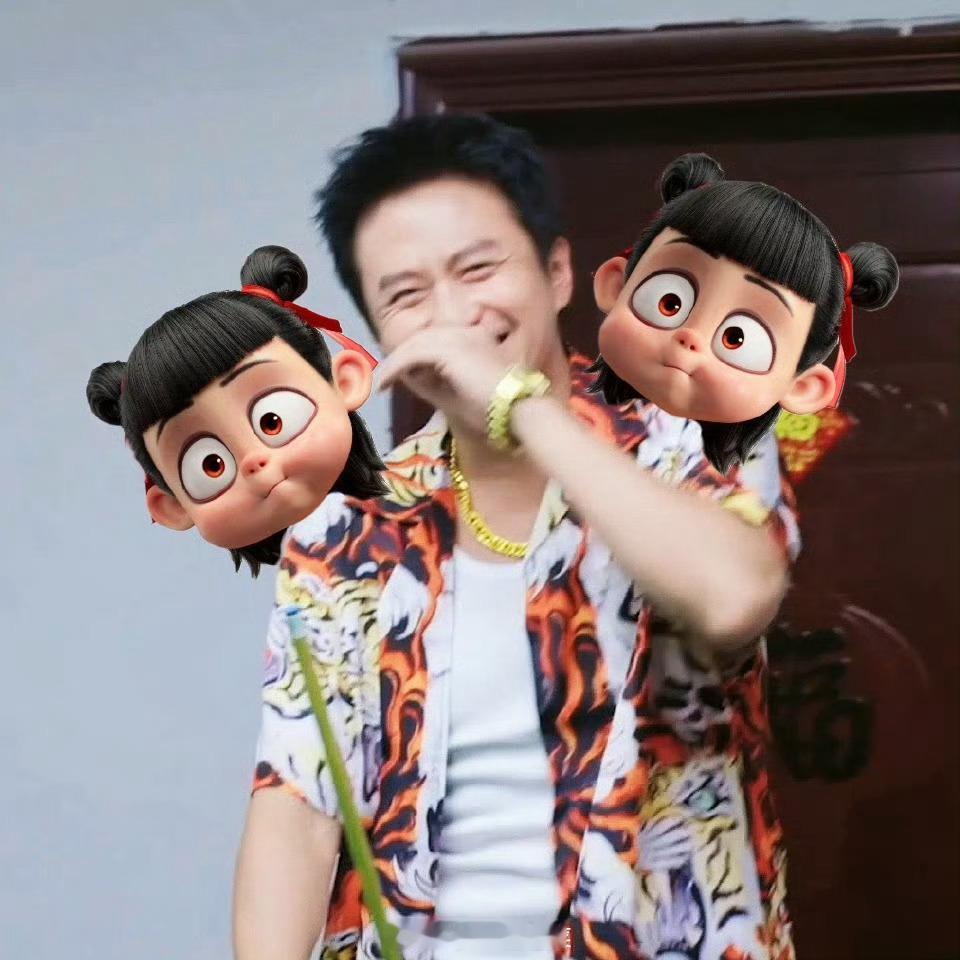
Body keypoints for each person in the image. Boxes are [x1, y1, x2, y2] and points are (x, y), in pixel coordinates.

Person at [233, 115, 800, 960]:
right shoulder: (348, 525)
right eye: (407, 295)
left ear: (558, 271)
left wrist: (518, 406)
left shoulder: (696, 439)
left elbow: (734, 596)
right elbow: (297, 804)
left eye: (479, 269)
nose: (454, 315)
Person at [589, 152, 899, 472]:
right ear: (615, 286)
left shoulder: (750, 481)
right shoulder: (563, 402)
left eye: (736, 338)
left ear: (802, 387)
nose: (691, 337)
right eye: (670, 302)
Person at [86, 245, 385, 575]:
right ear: (172, 505)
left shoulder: (425, 487)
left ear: (344, 382)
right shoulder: (298, 597)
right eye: (211, 465)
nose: (252, 461)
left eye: (272, 421)